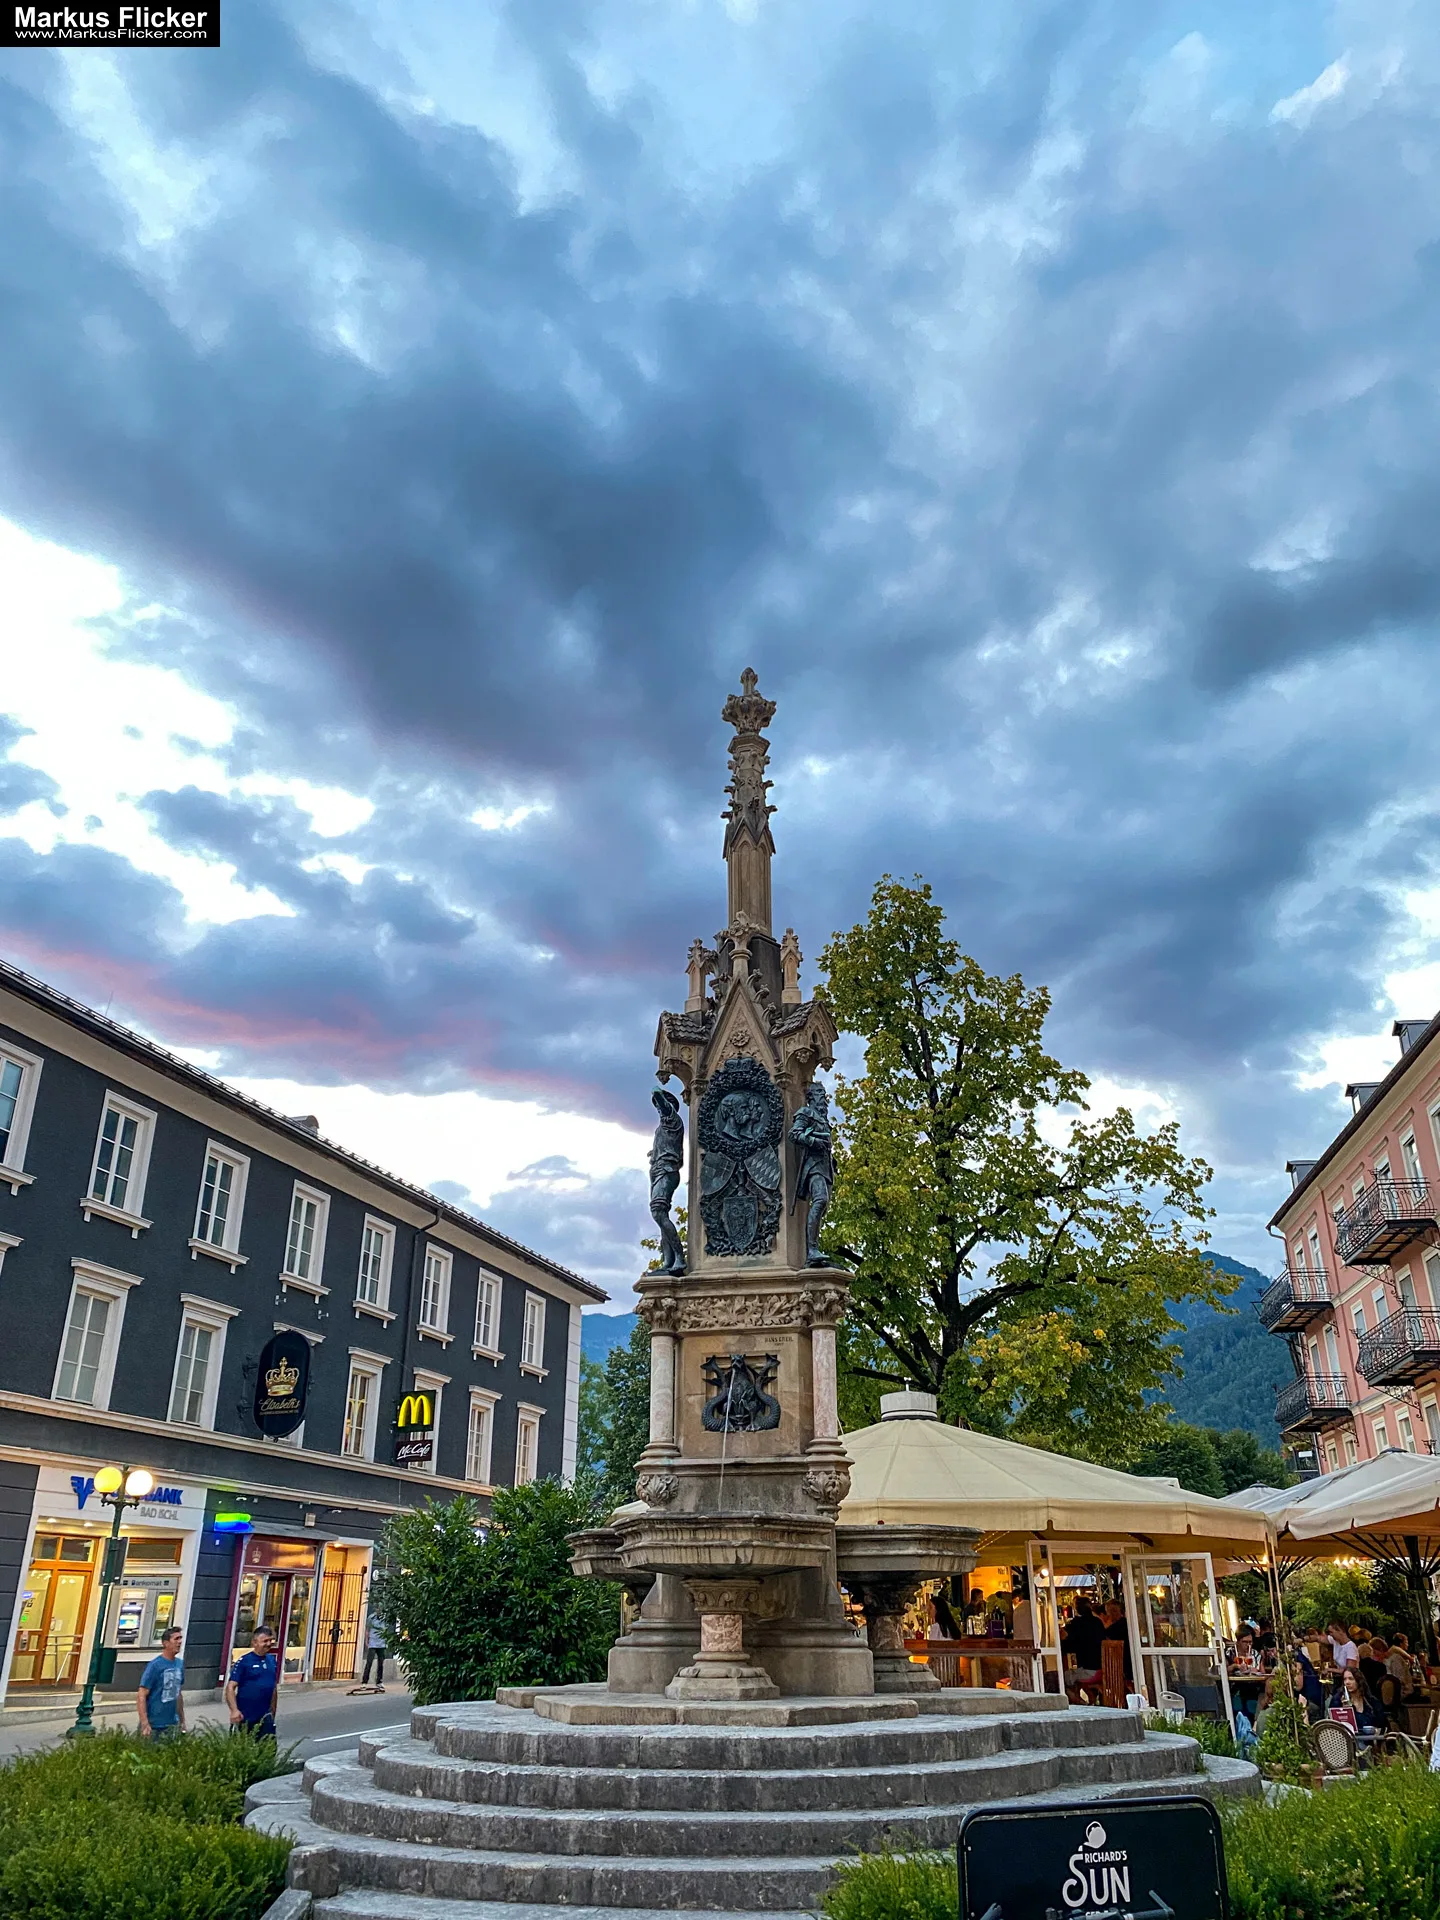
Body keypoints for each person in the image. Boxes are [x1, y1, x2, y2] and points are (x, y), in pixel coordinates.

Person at [226, 1627, 280, 1740]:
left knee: (268, 1749)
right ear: (254, 1642)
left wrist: (273, 1713)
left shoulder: (271, 1660)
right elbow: (231, 1687)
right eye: (265, 1641)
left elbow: (273, 1688)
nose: (268, 1644)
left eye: (270, 1640)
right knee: (243, 1749)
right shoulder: (244, 1661)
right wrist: (234, 1710)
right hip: (246, 1716)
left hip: (265, 1716)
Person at [137, 1626, 186, 1740]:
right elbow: (142, 1694)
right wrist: (144, 1722)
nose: (179, 1642)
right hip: (154, 1723)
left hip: (172, 1722)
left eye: (180, 1638)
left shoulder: (179, 1664)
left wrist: (182, 1720)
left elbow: (178, 1693)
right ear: (166, 1643)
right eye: (176, 1639)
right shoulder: (155, 1665)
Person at [1061, 1596, 1104, 1687]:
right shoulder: (1098, 1622)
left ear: (1077, 1608)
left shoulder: (1076, 1623)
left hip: (1087, 1670)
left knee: (1060, 1679)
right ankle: (1087, 1698)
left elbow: (1063, 1636)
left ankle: (1078, 1700)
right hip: (1102, 1669)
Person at [362, 1614, 388, 1687]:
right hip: (373, 1643)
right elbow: (367, 1630)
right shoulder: (371, 1618)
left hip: (382, 1643)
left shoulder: (385, 1618)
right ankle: (364, 1681)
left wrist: (386, 1642)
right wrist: (366, 1641)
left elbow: (386, 1630)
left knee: (381, 1663)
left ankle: (379, 1681)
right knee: (369, 1662)